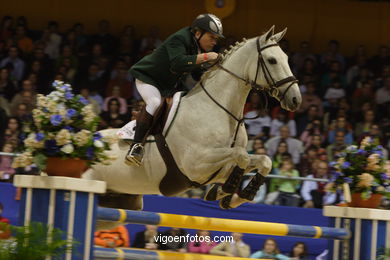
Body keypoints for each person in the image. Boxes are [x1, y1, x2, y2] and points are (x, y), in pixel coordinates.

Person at [122, 14, 223, 166]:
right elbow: (177, 63)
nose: (214, 41)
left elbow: (196, 73)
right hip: (148, 78)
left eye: (216, 38)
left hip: (165, 86)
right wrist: (207, 57)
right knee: (155, 102)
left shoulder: (196, 46)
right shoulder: (180, 38)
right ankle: (136, 147)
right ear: (197, 33)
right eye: (212, 36)